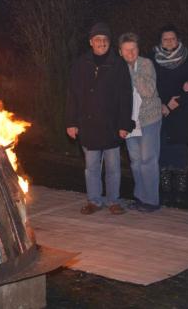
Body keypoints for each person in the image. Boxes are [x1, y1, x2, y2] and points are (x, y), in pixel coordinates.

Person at [66, 22, 134, 215]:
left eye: (105, 40)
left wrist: (123, 124)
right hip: (87, 125)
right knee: (92, 167)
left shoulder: (118, 64)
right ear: (91, 42)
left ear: (109, 42)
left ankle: (113, 201)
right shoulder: (80, 64)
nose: (101, 43)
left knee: (113, 168)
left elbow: (125, 96)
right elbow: (72, 95)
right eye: (97, 39)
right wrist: (71, 122)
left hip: (111, 125)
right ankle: (94, 201)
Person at [118, 32, 163, 212]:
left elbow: (148, 91)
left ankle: (151, 200)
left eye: (133, 49)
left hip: (149, 118)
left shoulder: (145, 64)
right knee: (135, 161)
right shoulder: (117, 67)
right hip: (129, 121)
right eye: (126, 50)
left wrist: (132, 72)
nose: (130, 53)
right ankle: (140, 197)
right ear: (120, 52)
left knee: (148, 160)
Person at [152, 25, 188, 202]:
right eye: (165, 39)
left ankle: (181, 192)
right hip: (159, 110)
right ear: (160, 41)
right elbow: (149, 85)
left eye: (172, 38)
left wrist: (174, 104)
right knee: (162, 150)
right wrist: (161, 105)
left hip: (180, 112)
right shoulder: (152, 59)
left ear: (178, 40)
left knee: (179, 151)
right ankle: (165, 191)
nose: (169, 41)